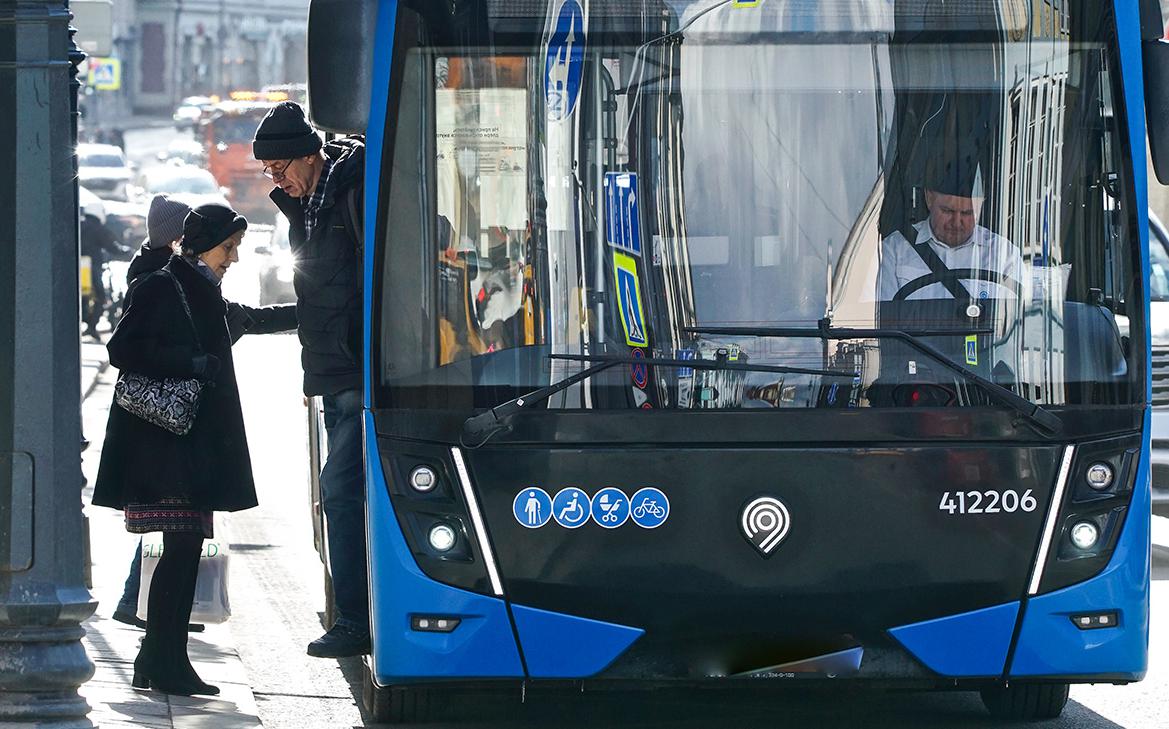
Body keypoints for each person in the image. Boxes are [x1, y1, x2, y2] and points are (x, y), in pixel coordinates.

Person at [92, 203, 290, 696]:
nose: (235, 258)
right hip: (166, 452)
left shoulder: (201, 288)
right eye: (229, 248)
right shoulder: (163, 284)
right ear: (203, 246)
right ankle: (162, 662)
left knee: (185, 554)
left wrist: (322, 309)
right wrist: (192, 362)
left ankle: (162, 660)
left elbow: (251, 320)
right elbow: (123, 350)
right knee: (179, 554)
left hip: (190, 450)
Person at [251, 101, 370, 657]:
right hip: (332, 373)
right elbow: (319, 298)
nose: (277, 182)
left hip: (361, 374)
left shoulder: (354, 188)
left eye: (279, 170)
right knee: (343, 495)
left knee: (342, 493)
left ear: (307, 156)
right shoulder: (308, 204)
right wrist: (254, 322)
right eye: (269, 174)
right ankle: (358, 610)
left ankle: (355, 621)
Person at [878, 157, 1022, 303]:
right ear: (929, 199)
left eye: (967, 213)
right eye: (947, 211)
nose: (956, 222)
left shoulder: (1004, 255)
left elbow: (1015, 316)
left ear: (980, 207)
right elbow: (882, 315)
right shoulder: (895, 249)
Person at [80, 199, 129, 339]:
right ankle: (92, 326)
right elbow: (112, 246)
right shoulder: (98, 229)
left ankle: (87, 322)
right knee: (101, 298)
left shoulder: (79, 225)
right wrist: (127, 252)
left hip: (78, 268)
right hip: (92, 268)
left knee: (81, 297)